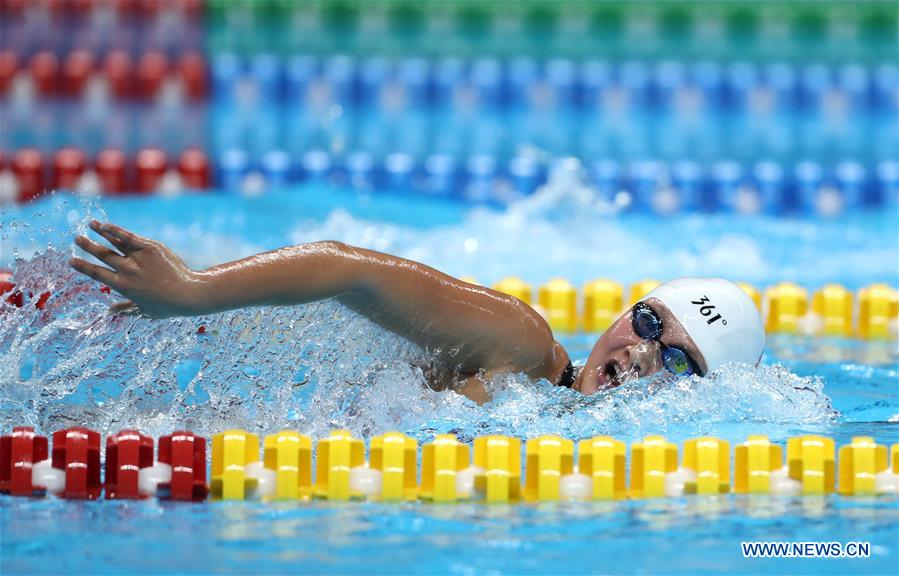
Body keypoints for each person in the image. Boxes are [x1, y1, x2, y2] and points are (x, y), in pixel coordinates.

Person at [70, 220, 765, 404]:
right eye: (648, 324)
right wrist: (191, 290)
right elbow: (351, 268)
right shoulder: (520, 346)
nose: (644, 353)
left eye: (678, 359)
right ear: (623, 314)